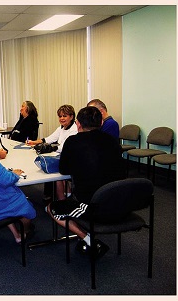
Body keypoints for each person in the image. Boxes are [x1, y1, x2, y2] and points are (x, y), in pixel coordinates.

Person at [48, 106, 125, 258]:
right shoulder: (113, 141)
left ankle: (87, 238)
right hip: (119, 202)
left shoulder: (73, 141)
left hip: (92, 206)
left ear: (78, 124)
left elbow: (63, 170)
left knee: (52, 208)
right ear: (101, 123)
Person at [26, 105, 78, 201]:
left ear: (71, 117)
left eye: (64, 116)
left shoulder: (74, 129)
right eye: (60, 116)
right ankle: (67, 193)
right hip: (62, 156)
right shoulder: (62, 128)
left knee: (54, 172)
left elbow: (63, 147)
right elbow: (50, 138)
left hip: (71, 159)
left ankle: (61, 200)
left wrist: (49, 148)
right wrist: (33, 142)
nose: (62, 118)